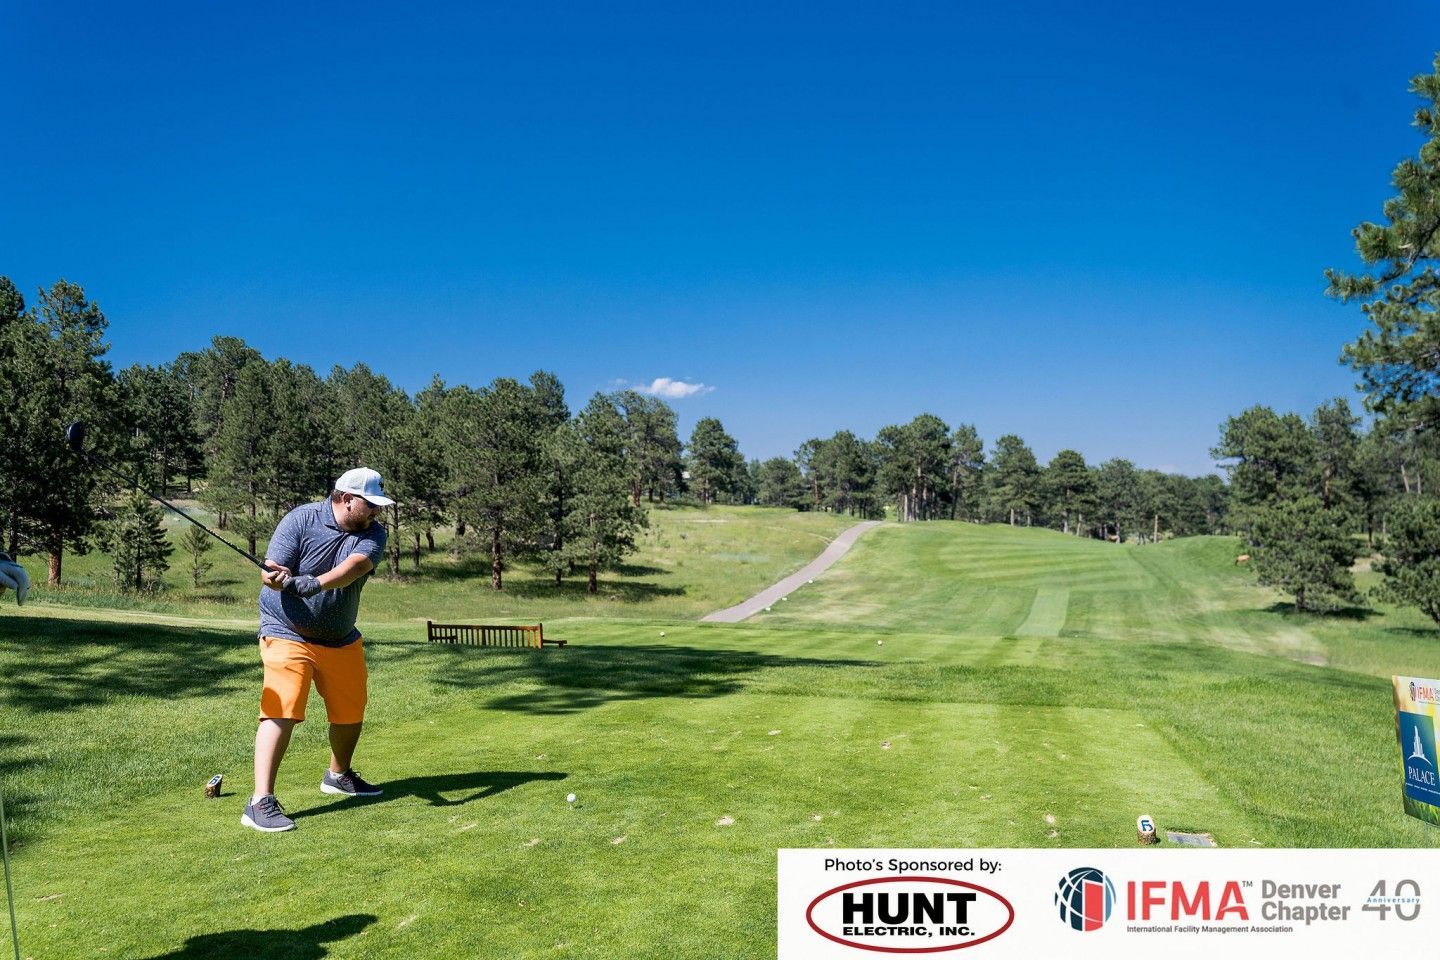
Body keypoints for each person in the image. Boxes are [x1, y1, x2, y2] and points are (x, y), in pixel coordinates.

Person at [241, 467, 394, 833]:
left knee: (350, 710)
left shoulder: (374, 533)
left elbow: (355, 567)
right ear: (344, 498)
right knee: (283, 704)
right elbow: (272, 571)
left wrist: (315, 583)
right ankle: (260, 801)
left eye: (378, 505)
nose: (376, 512)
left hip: (340, 637)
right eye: (370, 504)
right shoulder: (300, 519)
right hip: (285, 629)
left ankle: (338, 776)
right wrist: (275, 577)